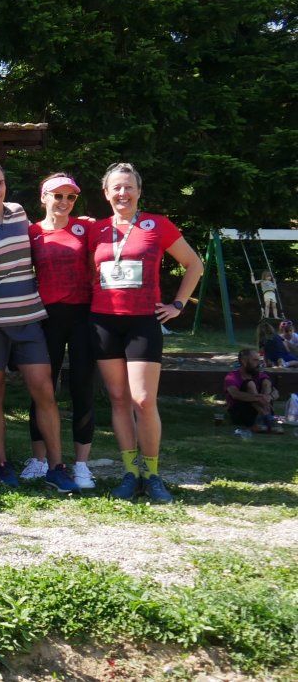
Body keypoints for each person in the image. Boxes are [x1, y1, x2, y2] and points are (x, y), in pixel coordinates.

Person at [87, 162, 203, 503]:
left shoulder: (157, 224)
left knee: (143, 399)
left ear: (139, 191)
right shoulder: (95, 229)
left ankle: (152, 473)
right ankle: (130, 472)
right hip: (104, 321)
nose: (123, 193)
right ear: (106, 193)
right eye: (116, 188)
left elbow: (194, 264)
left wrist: (178, 304)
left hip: (142, 322)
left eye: (129, 187)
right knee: (118, 398)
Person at [0, 161, 79, 492]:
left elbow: (53, 224)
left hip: (28, 319)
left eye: (0, 183)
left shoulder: (18, 213)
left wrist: (81, 223)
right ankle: (2, 464)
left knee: (45, 391)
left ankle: (57, 467)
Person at [24, 174, 98, 487]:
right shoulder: (32, 232)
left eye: (70, 197)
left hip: (83, 315)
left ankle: (81, 465)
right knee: (43, 388)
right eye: (57, 196)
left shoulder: (86, 228)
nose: (64, 202)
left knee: (82, 387)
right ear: (44, 198)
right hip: (46, 317)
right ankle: (39, 460)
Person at [225, 349, 281, 436]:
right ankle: (265, 417)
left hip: (259, 409)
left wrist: (269, 397)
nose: (258, 364)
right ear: (244, 361)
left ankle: (264, 418)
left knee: (266, 382)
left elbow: (276, 393)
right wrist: (259, 398)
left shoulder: (260, 375)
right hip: (241, 411)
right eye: (255, 360)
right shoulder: (232, 376)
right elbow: (235, 394)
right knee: (250, 384)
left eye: (258, 360)